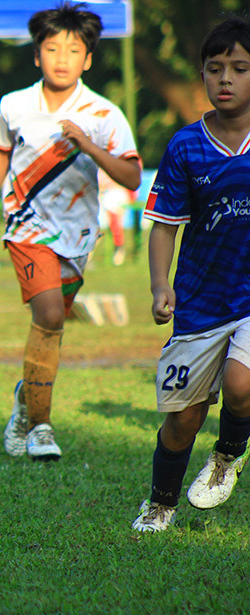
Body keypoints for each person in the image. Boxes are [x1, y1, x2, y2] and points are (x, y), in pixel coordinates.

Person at [0, 2, 141, 461]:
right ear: (36, 55)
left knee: (52, 325)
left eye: (73, 50)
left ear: (88, 59)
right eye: (52, 48)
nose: (61, 58)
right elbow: (0, 151)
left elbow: (131, 176)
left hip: (79, 234)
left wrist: (87, 145)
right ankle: (41, 428)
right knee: (49, 315)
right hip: (26, 227)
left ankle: (27, 397)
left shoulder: (104, 114)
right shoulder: (14, 105)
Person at [133, 16, 250, 532]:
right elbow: (164, 225)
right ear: (201, 74)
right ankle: (161, 503)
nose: (226, 78)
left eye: (240, 68)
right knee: (183, 419)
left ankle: (227, 455)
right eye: (215, 68)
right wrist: (161, 285)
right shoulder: (186, 146)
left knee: (242, 384)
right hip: (200, 301)